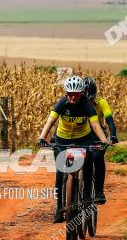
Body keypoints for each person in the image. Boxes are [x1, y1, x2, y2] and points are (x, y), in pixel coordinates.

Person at [36, 75, 110, 223]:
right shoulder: (62, 103)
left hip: (83, 137)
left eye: (76, 94)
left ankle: (87, 195)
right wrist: (42, 137)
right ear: (66, 93)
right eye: (69, 94)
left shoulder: (87, 105)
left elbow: (95, 125)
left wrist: (104, 141)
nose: (73, 97)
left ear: (81, 93)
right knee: (60, 172)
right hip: (63, 137)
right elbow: (50, 121)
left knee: (88, 161)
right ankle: (59, 208)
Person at [83, 77, 118, 205]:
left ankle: (99, 192)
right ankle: (83, 193)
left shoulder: (102, 102)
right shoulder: (77, 102)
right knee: (86, 160)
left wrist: (113, 135)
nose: (89, 102)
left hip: (98, 134)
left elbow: (109, 120)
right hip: (82, 133)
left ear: (95, 96)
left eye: (91, 99)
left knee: (97, 158)